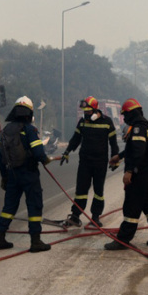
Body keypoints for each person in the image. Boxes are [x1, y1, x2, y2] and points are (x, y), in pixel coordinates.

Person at [105, 98, 148, 250]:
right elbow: (133, 148)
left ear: (132, 113)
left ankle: (123, 240)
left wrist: (129, 171)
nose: (124, 118)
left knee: (132, 206)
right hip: (145, 173)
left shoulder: (138, 129)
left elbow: (138, 152)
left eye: (125, 114)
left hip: (139, 173)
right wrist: (119, 157)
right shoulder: (142, 127)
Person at [0, 96, 54, 253]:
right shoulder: (29, 129)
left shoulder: (7, 130)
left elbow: (0, 156)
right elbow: (39, 152)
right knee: (34, 205)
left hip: (12, 174)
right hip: (29, 174)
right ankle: (35, 241)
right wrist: (45, 159)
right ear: (29, 113)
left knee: (9, 207)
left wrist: (5, 176)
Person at [59, 96, 120, 228]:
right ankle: (75, 216)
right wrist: (67, 151)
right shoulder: (82, 122)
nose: (85, 113)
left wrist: (115, 158)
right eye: (84, 111)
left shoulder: (107, 122)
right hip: (85, 162)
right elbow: (75, 139)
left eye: (87, 111)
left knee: (98, 192)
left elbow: (113, 143)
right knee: (81, 190)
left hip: (100, 163)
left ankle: (95, 217)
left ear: (95, 109)